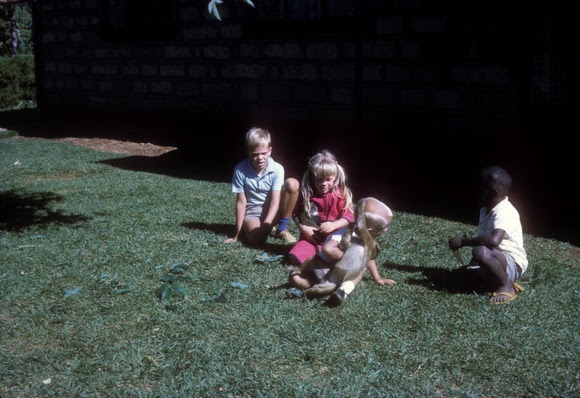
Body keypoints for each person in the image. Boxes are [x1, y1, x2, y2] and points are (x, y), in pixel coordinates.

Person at [448, 166, 528, 304]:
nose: (476, 191)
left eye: (480, 188)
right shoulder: (485, 210)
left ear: (493, 193)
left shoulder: (505, 211)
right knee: (454, 278)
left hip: (512, 265)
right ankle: (490, 281)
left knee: (480, 251)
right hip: (494, 260)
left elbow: (493, 241)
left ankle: (506, 286)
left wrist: (463, 241)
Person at [224, 127, 298, 245]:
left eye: (263, 153)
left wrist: (266, 225)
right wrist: (237, 234)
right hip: (253, 211)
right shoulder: (240, 169)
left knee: (292, 183)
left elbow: (275, 201)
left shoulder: (277, 168)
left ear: (270, 150)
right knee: (257, 239)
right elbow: (241, 202)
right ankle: (260, 227)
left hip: (275, 207)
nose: (260, 158)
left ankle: (281, 228)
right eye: (255, 154)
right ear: (248, 152)